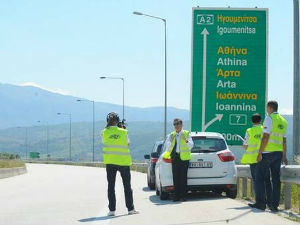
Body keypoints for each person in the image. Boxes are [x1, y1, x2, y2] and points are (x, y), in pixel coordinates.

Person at [249, 101, 288, 212]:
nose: (266, 109)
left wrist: (260, 152)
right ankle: (274, 205)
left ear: (270, 108)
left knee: (259, 177)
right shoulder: (284, 121)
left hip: (267, 153)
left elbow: (265, 136)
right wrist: (284, 156)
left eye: (267, 107)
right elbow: (284, 141)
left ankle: (261, 203)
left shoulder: (269, 118)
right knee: (276, 179)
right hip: (278, 153)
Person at [101, 112, 139, 216]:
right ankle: (130, 209)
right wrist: (122, 128)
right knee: (127, 186)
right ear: (117, 121)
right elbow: (128, 143)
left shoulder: (104, 132)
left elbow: (105, 141)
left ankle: (112, 210)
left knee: (111, 186)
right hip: (123, 162)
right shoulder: (124, 132)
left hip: (110, 162)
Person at [241, 113, 271, 206]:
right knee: (266, 180)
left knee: (257, 181)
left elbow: (245, 145)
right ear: (261, 121)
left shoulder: (249, 131)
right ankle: (269, 201)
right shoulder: (264, 129)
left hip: (254, 159)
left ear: (252, 121)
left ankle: (259, 202)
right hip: (265, 157)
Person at [163, 118, 194, 201]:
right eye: (174, 124)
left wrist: (185, 140)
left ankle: (183, 196)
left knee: (183, 178)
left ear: (181, 125)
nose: (176, 126)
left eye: (177, 124)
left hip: (184, 158)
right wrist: (170, 140)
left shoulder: (186, 134)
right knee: (175, 177)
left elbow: (191, 145)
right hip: (175, 157)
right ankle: (176, 196)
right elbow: (168, 146)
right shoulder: (172, 135)